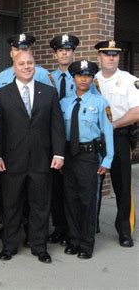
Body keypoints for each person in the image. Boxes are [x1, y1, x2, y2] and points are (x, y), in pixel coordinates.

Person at [0, 49, 65, 264]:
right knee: (11, 205)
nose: (26, 67)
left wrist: (59, 153)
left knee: (40, 205)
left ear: (35, 65)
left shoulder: (49, 92)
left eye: (30, 63)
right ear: (13, 67)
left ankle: (39, 246)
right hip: (12, 160)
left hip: (42, 160)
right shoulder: (2, 94)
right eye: (22, 63)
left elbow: (57, 126)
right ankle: (10, 246)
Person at [61, 60, 114, 259]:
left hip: (88, 156)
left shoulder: (100, 103)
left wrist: (107, 159)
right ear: (73, 78)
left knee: (87, 200)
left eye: (88, 76)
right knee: (70, 199)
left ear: (92, 78)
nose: (84, 79)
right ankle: (73, 240)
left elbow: (107, 132)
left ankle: (86, 243)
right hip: (69, 156)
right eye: (80, 75)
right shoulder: (64, 102)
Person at [95, 40, 139, 247]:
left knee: (122, 186)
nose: (111, 57)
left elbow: (136, 112)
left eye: (115, 54)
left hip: (119, 136)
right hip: (95, 138)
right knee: (90, 183)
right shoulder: (91, 79)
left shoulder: (129, 80)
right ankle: (90, 226)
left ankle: (124, 230)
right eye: (107, 54)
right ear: (99, 57)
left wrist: (111, 126)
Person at [48, 34, 80, 245]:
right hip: (51, 139)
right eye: (61, 50)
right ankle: (59, 228)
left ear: (73, 52)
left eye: (68, 50)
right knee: (55, 188)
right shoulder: (46, 77)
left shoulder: (82, 77)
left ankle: (73, 230)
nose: (65, 53)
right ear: (55, 53)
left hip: (73, 141)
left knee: (73, 189)